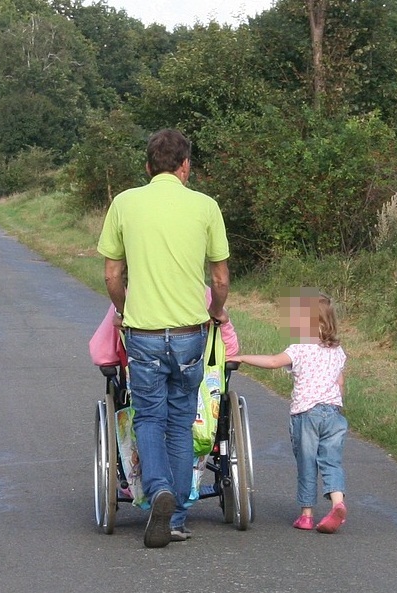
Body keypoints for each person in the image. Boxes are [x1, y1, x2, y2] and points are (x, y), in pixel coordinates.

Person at [97, 128, 230, 548]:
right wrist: (215, 312)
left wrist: (123, 311)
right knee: (180, 420)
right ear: (185, 165)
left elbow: (112, 275)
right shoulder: (205, 207)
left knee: (149, 417)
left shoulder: (124, 203)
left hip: (144, 333)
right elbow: (220, 279)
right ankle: (176, 517)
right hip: (190, 333)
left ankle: (157, 491)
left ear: (148, 166)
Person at [229, 289, 348, 534]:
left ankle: (306, 515)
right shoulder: (337, 352)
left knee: (307, 463)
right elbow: (340, 383)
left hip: (306, 414)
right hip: (334, 413)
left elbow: (273, 362)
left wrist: (243, 358)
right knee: (331, 461)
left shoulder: (300, 348)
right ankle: (338, 503)